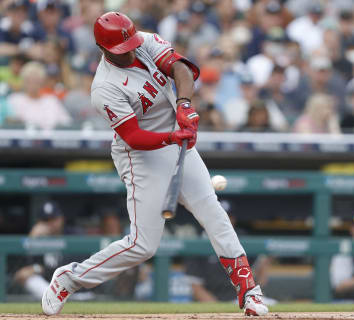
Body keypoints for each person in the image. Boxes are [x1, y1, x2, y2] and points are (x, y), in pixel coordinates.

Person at [41, 12, 268, 317]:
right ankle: (68, 279)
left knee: (213, 212)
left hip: (178, 143)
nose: (131, 51)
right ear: (103, 49)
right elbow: (133, 136)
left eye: (131, 44)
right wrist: (174, 136)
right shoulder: (104, 87)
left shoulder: (144, 42)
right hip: (142, 156)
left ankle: (250, 292)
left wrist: (185, 105)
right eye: (123, 49)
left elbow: (181, 68)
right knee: (143, 245)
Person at [7, 61, 72, 130]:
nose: (33, 84)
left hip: (49, 138)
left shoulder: (51, 100)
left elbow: (67, 123)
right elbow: (9, 123)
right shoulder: (14, 99)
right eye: (29, 80)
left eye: (36, 80)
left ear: (42, 82)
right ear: (23, 81)